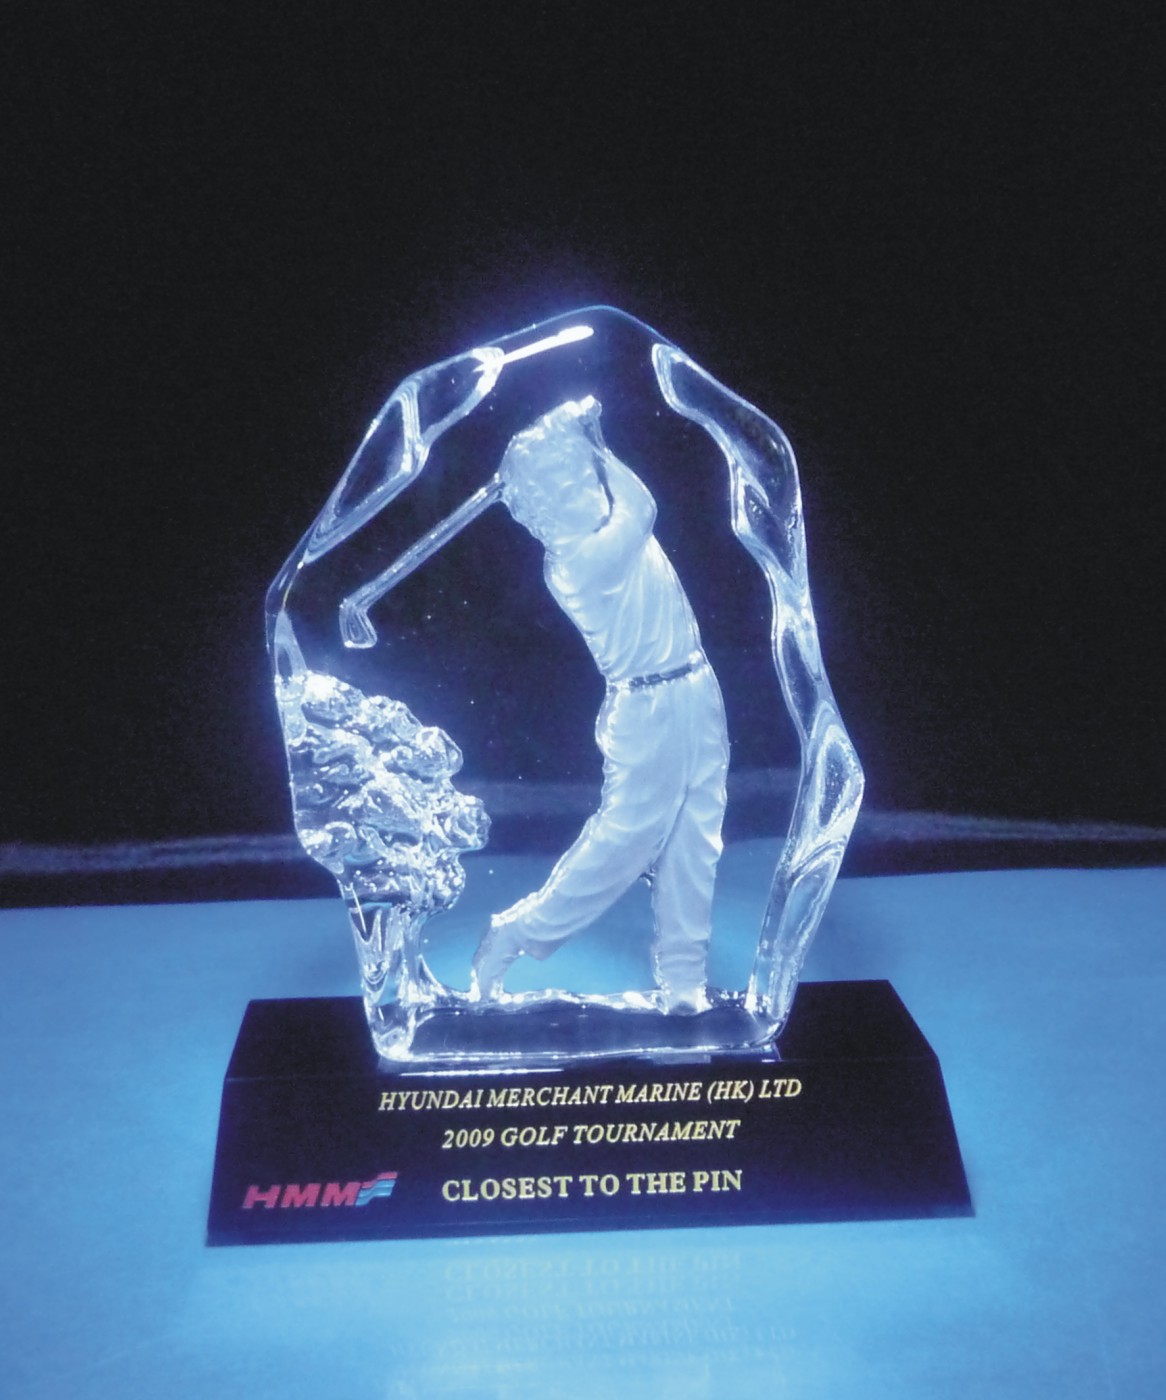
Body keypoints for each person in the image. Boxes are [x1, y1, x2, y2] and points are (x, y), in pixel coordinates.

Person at [471, 396, 729, 1012]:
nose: (587, 493)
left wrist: (580, 446)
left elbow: (628, 507)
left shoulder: (599, 534)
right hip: (648, 712)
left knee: (694, 843)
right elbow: (642, 506)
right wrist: (596, 441)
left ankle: (684, 984)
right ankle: (519, 933)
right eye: (567, 489)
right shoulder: (578, 564)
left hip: (696, 689)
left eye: (582, 480)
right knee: (625, 844)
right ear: (543, 513)